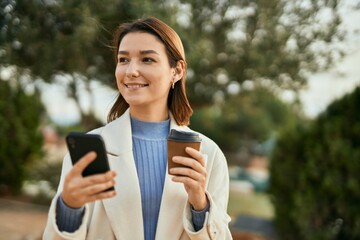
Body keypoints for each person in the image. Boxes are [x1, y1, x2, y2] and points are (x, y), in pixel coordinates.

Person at [43, 17, 232, 240]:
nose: (131, 71)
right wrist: (69, 207)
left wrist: (200, 204)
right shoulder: (89, 151)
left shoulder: (208, 154)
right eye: (123, 59)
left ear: (177, 70)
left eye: (147, 59)